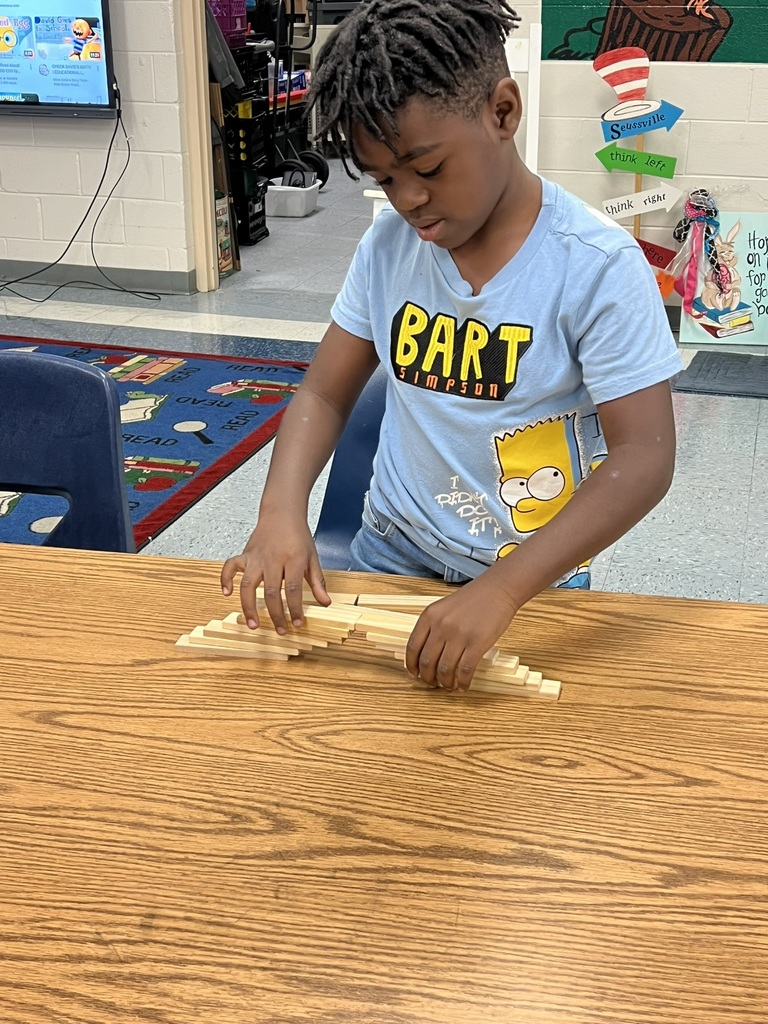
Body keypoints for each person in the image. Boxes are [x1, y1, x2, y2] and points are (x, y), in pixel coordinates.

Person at [221, 0, 682, 691]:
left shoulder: (597, 267)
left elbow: (645, 456)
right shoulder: (387, 247)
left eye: (427, 169)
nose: (407, 200)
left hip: (529, 583)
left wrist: (502, 590)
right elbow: (322, 391)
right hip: (388, 553)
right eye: (384, 180)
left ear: (502, 112)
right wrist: (279, 511)